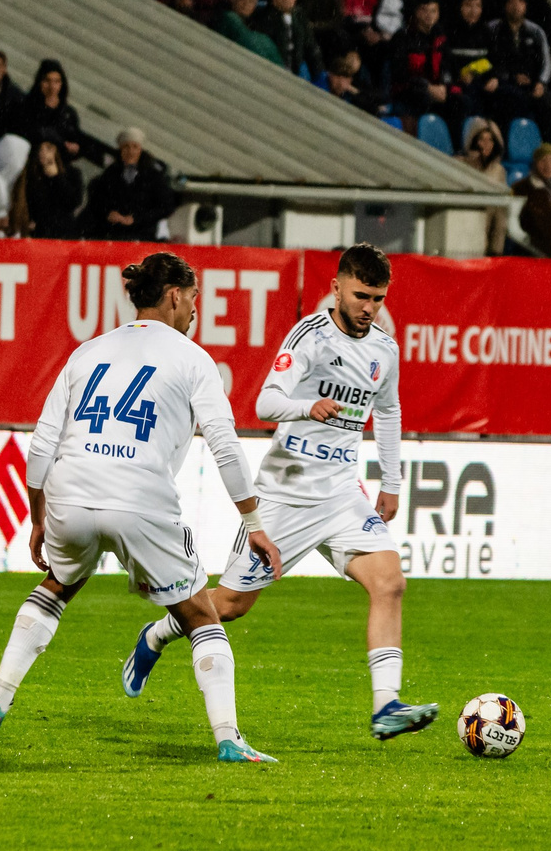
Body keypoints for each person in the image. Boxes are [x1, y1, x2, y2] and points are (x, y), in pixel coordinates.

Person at [0, 252, 286, 760]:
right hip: (140, 500)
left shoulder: (87, 352)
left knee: (57, 584)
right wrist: (251, 521)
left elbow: (40, 445)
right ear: (174, 296)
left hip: (70, 492)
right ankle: (229, 738)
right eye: (193, 300)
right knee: (201, 614)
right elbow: (225, 446)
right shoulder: (191, 357)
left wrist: (37, 516)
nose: (195, 313)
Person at [127, 245, 435, 740]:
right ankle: (156, 635)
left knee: (390, 582)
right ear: (336, 288)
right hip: (286, 494)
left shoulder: (384, 347)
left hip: (340, 495)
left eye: (377, 299)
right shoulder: (309, 337)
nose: (369, 308)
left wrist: (392, 482)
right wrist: (307, 405)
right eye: (360, 295)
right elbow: (266, 400)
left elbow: (391, 411)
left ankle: (386, 705)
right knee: (228, 605)